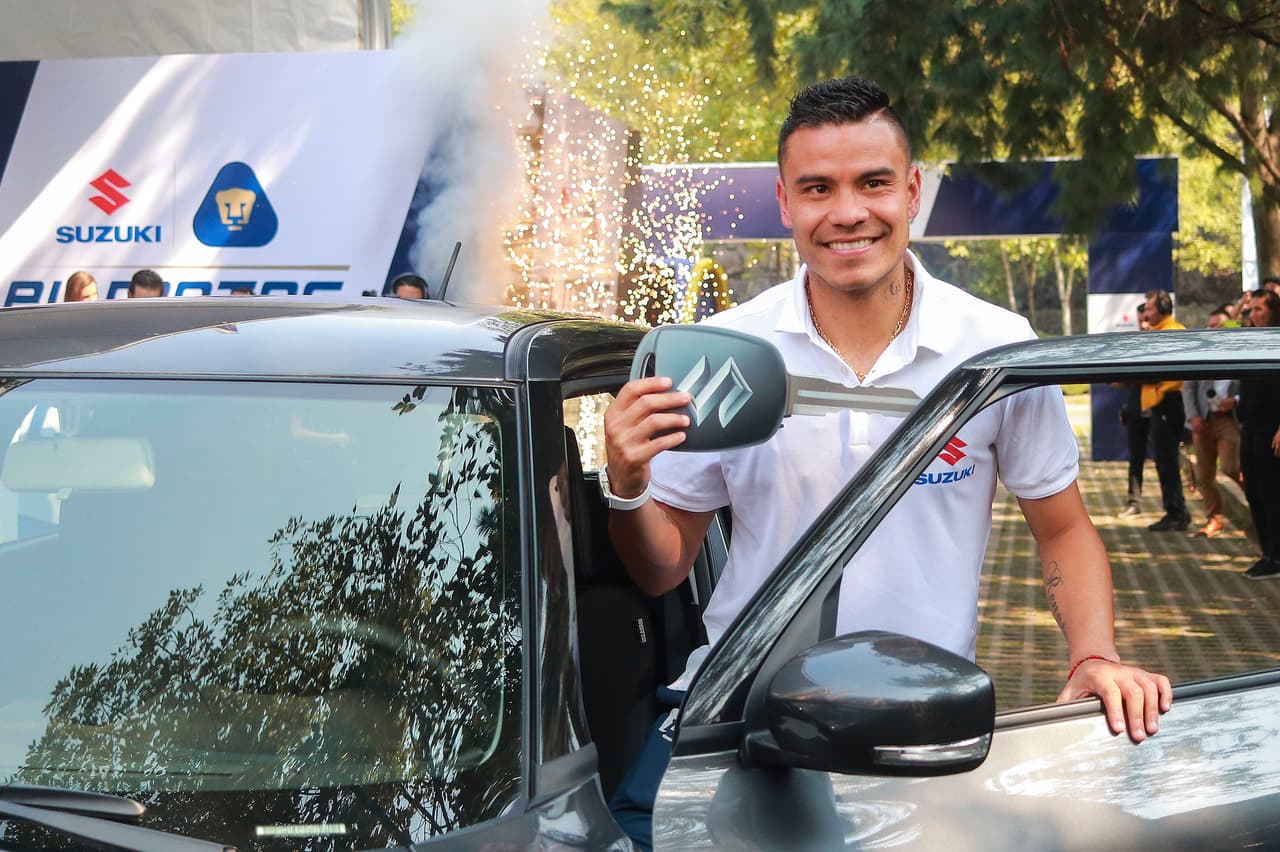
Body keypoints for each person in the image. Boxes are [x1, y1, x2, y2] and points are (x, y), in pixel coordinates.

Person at [601, 75, 1171, 850]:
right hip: (736, 724)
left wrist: (1095, 656)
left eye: (872, 183)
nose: (847, 213)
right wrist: (629, 487)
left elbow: (1064, 527)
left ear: (911, 191)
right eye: (817, 188)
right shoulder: (726, 350)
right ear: (784, 201)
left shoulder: (994, 348)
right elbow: (665, 567)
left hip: (917, 730)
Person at [1182, 314, 1241, 538]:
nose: (1212, 328)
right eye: (1209, 325)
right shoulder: (1201, 353)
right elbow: (1188, 387)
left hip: (1229, 420)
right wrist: (1193, 416)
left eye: (1217, 325)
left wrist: (1235, 401)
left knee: (1230, 467)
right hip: (1204, 421)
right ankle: (1214, 519)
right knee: (1205, 474)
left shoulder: (1241, 352)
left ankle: (1252, 494)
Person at [1139, 289, 1191, 531]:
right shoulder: (1156, 333)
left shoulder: (1173, 333)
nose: (1145, 313)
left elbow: (1171, 371)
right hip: (1160, 403)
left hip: (1168, 402)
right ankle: (1173, 509)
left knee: (1167, 459)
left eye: (1149, 308)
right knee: (1163, 460)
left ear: (1161, 307)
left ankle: (1177, 512)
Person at [1238, 288, 1280, 578]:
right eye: (1250, 311)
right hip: (1250, 427)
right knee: (1253, 491)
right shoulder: (1250, 339)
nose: (1252, 315)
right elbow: (1224, 335)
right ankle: (1267, 551)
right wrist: (1240, 310)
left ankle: (1276, 556)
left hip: (1271, 428)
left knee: (1271, 494)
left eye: (1258, 310)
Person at [1117, 301, 1151, 517]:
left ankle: (1175, 508)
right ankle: (1134, 501)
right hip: (1136, 410)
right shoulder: (1134, 344)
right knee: (1135, 458)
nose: (1144, 325)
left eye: (1147, 319)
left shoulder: (1166, 340)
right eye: (1141, 321)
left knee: (1167, 461)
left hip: (1159, 409)